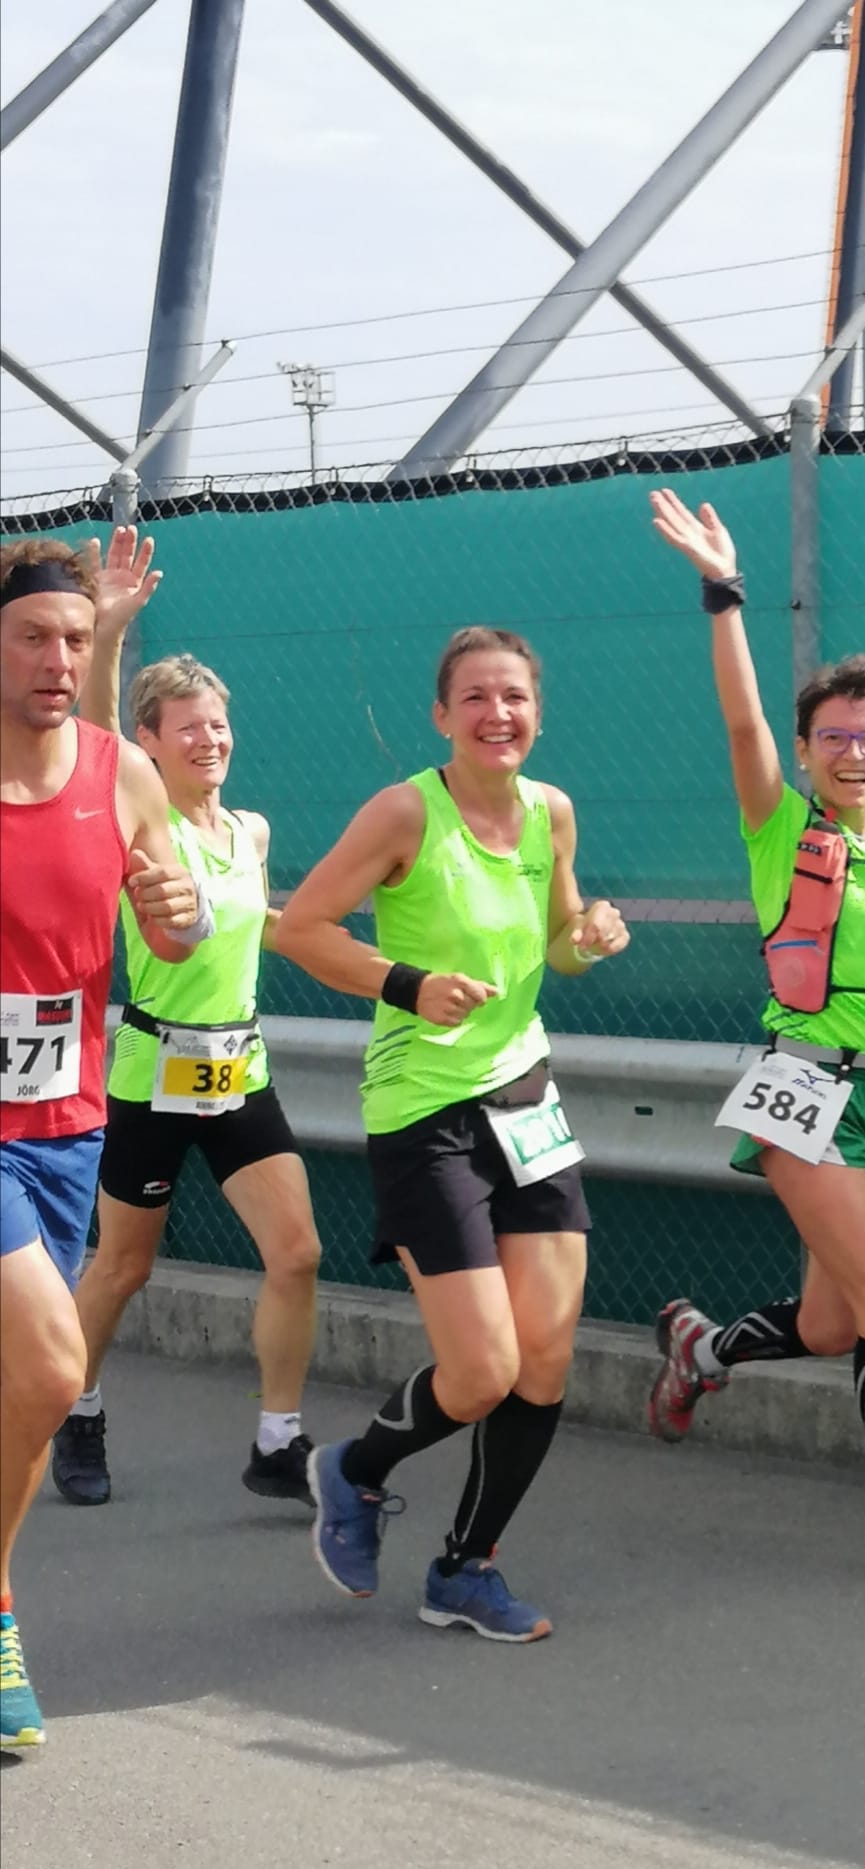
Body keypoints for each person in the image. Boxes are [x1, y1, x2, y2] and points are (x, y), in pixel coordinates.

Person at [645, 488, 865, 1596]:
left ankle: (700, 1352)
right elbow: (741, 720)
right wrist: (725, 594)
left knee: (832, 1318)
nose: (854, 753)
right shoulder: (782, 824)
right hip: (801, 1090)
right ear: (805, 750)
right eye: (834, 738)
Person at [274, 623, 628, 1642]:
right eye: (474, 697)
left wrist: (589, 936)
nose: (497, 714)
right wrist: (408, 984)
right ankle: (354, 1468)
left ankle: (467, 1569)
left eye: (513, 696)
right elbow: (300, 928)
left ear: (537, 711)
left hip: (528, 1103)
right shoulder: (404, 812)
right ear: (441, 716)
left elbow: (558, 947)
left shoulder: (551, 811)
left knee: (545, 1362)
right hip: (424, 1111)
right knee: (479, 1372)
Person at [1, 531, 205, 1748]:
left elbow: (168, 933)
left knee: (31, 1387)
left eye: (75, 641)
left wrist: (172, 908)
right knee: (48, 1367)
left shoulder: (122, 774)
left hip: (66, 1124)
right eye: (33, 635)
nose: (57, 659)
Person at [60, 628, 323, 1508]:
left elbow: (264, 925)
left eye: (217, 726)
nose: (209, 740)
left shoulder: (249, 830)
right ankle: (79, 1409)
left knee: (296, 1253)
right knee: (123, 1269)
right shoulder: (143, 822)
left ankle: (278, 1441)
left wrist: (365, 962)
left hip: (236, 1065)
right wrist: (110, 634)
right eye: (188, 728)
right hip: (153, 1069)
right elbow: (95, 733)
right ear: (149, 742)